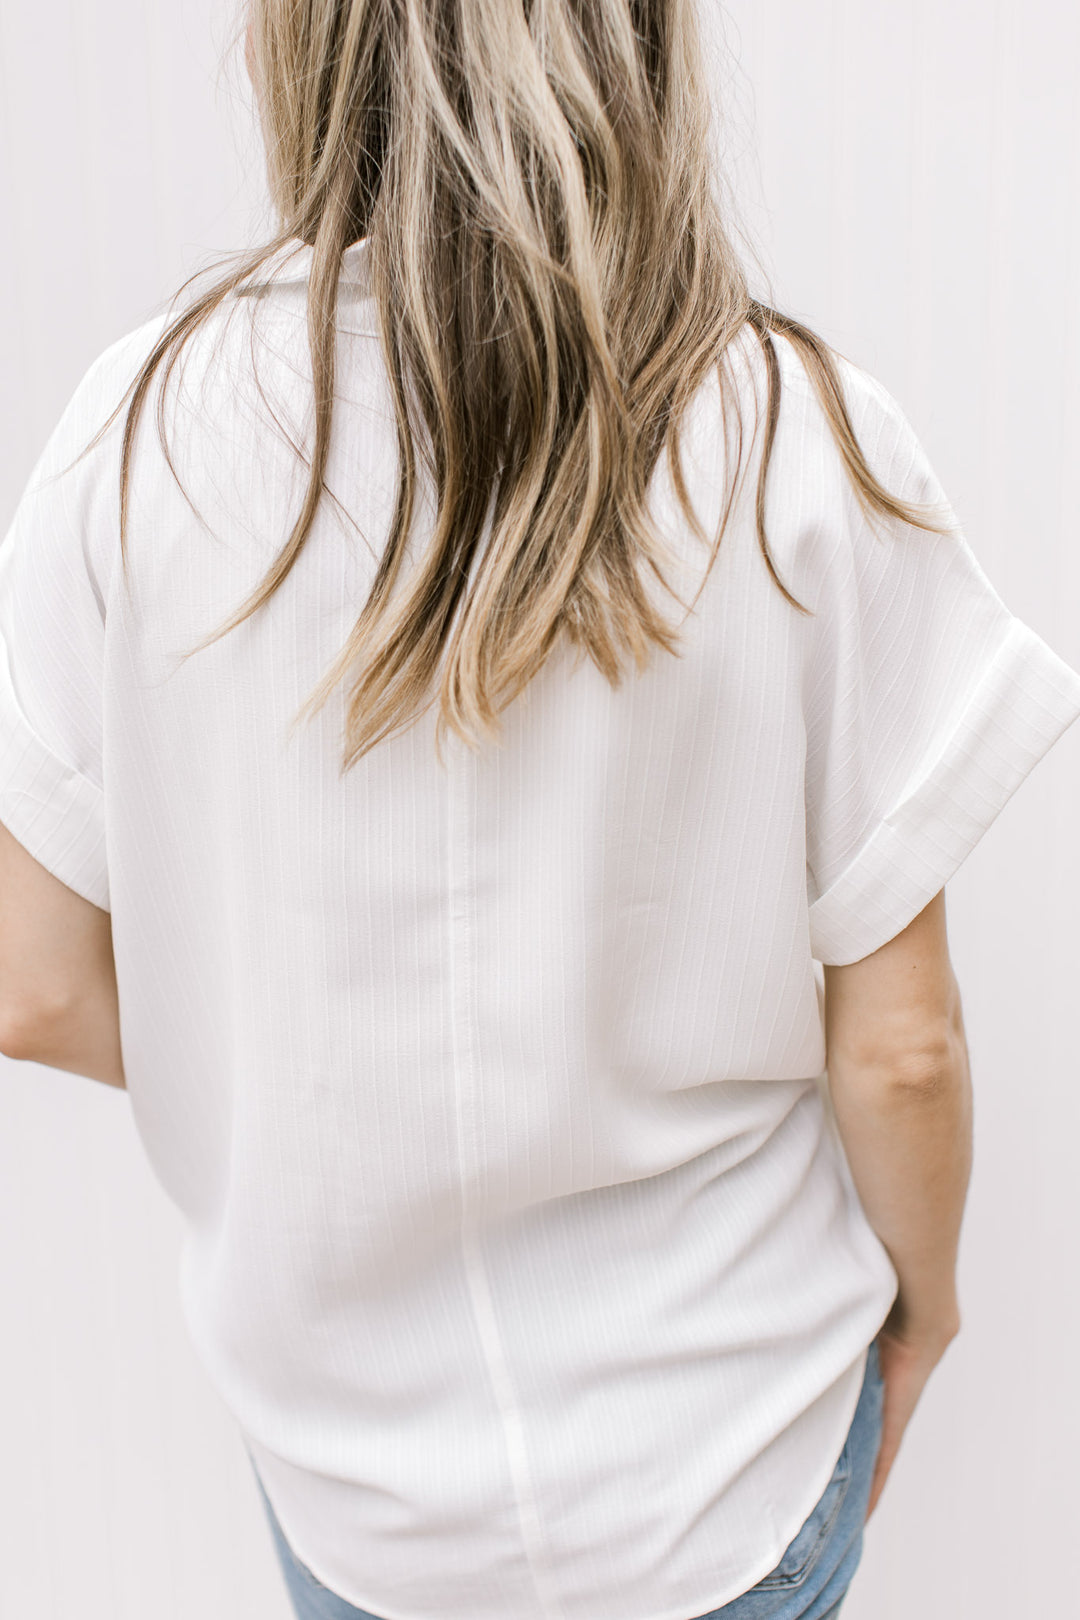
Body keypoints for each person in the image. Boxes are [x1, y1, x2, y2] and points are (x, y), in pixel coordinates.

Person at [1, 2, 1078, 1617]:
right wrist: (925, 1312)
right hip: (730, 1463)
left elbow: (34, 987)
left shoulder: (140, 437)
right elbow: (904, 1047)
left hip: (362, 1498)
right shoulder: (787, 430)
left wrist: (317, 1079)